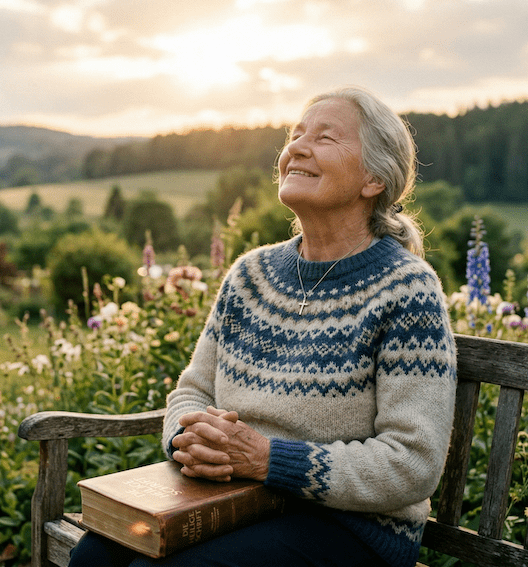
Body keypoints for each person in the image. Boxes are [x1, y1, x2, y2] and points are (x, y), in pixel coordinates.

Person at [69, 87, 457, 567]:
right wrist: (187, 437)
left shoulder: (406, 289)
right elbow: (192, 391)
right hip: (232, 500)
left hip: (351, 527)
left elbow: (412, 461)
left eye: (325, 137)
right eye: (296, 135)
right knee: (95, 555)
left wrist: (267, 460)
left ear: (375, 178)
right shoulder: (251, 276)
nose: (297, 147)